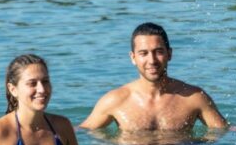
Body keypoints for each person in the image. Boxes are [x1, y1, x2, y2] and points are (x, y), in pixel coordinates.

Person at [80, 23, 228, 133]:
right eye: (143, 53)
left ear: (169, 54)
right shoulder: (115, 100)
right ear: (133, 58)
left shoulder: (194, 97)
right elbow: (82, 133)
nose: (152, 60)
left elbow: (224, 132)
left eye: (158, 52)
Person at [0, 55, 80, 145]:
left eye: (45, 81)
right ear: (13, 89)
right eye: (32, 83)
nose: (41, 89)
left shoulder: (62, 126)